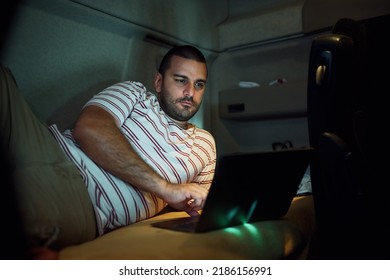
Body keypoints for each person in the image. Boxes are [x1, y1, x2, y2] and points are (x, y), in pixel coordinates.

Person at [0, 45, 216, 252]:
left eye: (199, 84)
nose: (190, 92)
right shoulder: (135, 92)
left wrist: (185, 201)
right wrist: (166, 189)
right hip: (48, 146)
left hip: (82, 200)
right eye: (181, 80)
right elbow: (89, 128)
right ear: (159, 82)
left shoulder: (205, 145)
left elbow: (204, 208)